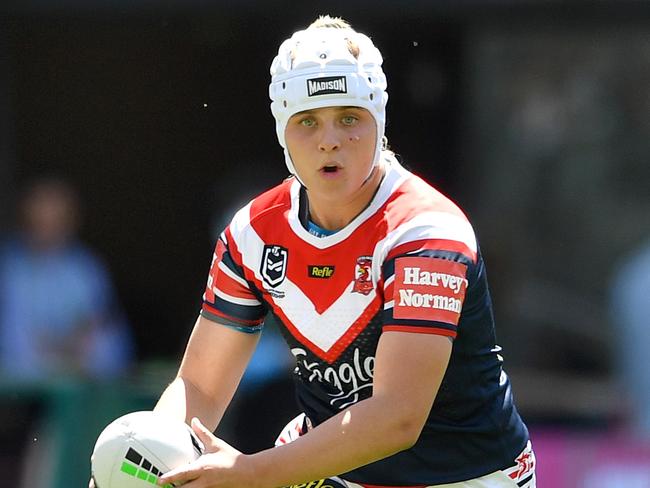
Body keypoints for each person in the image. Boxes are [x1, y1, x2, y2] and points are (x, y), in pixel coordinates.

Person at [149, 15, 535, 488]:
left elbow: (398, 417)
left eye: (349, 118)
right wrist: (148, 454)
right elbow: (199, 388)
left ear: (380, 120)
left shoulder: (427, 233)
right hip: (337, 473)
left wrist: (254, 472)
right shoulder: (253, 232)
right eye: (307, 121)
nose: (330, 139)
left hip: (467, 478)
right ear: (282, 132)